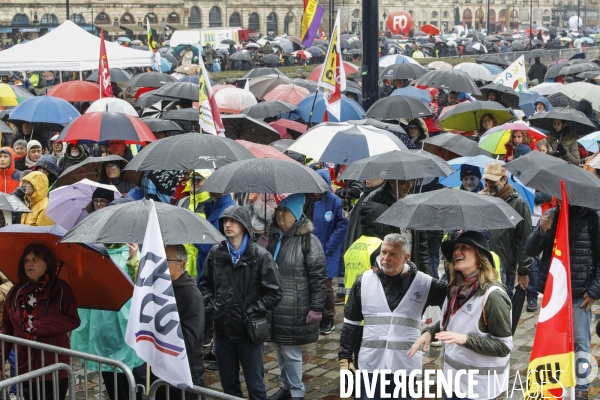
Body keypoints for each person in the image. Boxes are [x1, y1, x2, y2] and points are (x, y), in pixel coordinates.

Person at [340, 234, 446, 399]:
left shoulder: (423, 283)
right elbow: (350, 323)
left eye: (393, 254)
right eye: (384, 252)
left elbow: (455, 304)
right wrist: (345, 357)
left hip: (405, 367)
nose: (386, 258)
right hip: (371, 366)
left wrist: (432, 331)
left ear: (406, 257)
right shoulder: (364, 281)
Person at [411, 231, 512, 400]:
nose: (457, 252)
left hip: (479, 390)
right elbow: (452, 325)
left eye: (464, 248)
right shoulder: (455, 289)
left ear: (480, 258)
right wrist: (429, 332)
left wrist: (465, 339)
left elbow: (504, 346)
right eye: (456, 248)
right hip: (453, 382)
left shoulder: (492, 296)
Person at [199, 206, 283, 400]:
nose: (227, 225)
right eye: (225, 221)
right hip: (222, 332)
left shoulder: (260, 256)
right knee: (228, 386)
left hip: (248, 334)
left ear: (244, 225)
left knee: (255, 386)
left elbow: (275, 292)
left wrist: (252, 311)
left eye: (233, 221)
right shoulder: (215, 254)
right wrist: (214, 307)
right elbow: (205, 285)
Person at [525, 205, 600, 400]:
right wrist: (541, 229)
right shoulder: (551, 215)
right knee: (552, 338)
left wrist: (594, 291)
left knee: (580, 342)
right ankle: (553, 381)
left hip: (579, 295)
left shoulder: (592, 216)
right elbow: (530, 249)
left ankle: (582, 386)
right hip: (554, 294)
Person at [265, 194, 326, 400]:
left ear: (297, 214)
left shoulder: (309, 241)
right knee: (278, 348)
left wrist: (317, 308)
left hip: (295, 306)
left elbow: (318, 277)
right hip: (274, 305)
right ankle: (286, 386)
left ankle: (297, 392)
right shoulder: (273, 236)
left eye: (286, 210)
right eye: (279, 210)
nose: (281, 214)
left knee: (290, 351)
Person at [1, 244, 80, 400]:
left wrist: (38, 326)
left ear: (47, 263)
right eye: (26, 260)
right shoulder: (15, 292)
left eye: (35, 259)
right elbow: (6, 330)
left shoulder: (61, 290)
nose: (29, 263)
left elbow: (73, 319)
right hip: (25, 368)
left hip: (54, 368)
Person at [71, 239, 145, 400]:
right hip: (103, 332)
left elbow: (142, 287)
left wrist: (133, 260)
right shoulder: (94, 253)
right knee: (114, 385)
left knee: (134, 383)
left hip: (126, 334)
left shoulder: (131, 252)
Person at [155, 245, 206, 399]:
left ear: (181, 265)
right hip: (163, 370)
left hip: (186, 373)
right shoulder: (160, 289)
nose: (161, 264)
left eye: (166, 260)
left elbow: (189, 339)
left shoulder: (192, 296)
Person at [480, 162, 532, 299]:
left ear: (504, 180)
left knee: (501, 301)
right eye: (486, 180)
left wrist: (523, 270)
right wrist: (476, 202)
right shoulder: (482, 197)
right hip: (481, 262)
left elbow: (525, 238)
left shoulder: (518, 203)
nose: (488, 184)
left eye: (492, 181)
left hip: (504, 265)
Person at [311, 170, 348, 335]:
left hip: (327, 250)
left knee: (325, 285)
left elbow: (342, 226)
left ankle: (329, 317)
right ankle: (315, 315)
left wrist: (328, 247)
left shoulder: (334, 201)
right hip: (311, 250)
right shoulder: (309, 199)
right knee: (313, 283)